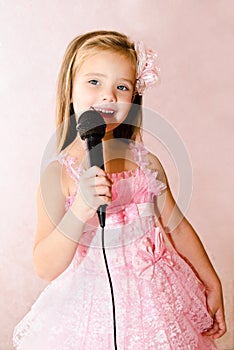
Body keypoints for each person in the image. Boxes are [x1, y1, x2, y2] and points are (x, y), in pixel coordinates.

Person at [13, 30, 226, 350]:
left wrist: (212, 282)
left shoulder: (146, 163)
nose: (108, 96)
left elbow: (177, 226)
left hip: (158, 305)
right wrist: (80, 210)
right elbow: (44, 266)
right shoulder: (59, 175)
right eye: (94, 82)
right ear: (70, 88)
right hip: (92, 312)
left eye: (122, 87)